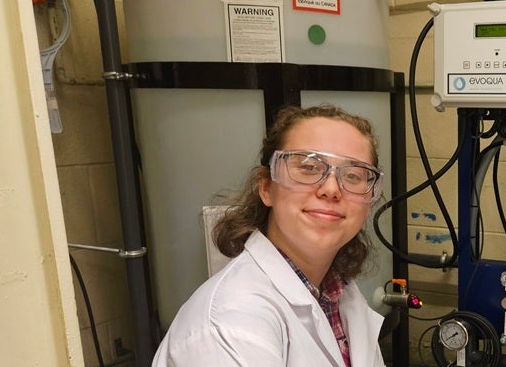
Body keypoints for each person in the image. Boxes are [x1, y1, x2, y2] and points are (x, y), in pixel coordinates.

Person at [153, 105, 386, 367]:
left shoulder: (338, 296)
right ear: (266, 187)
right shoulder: (230, 323)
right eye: (309, 167)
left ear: (369, 202)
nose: (331, 189)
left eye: (353, 175)